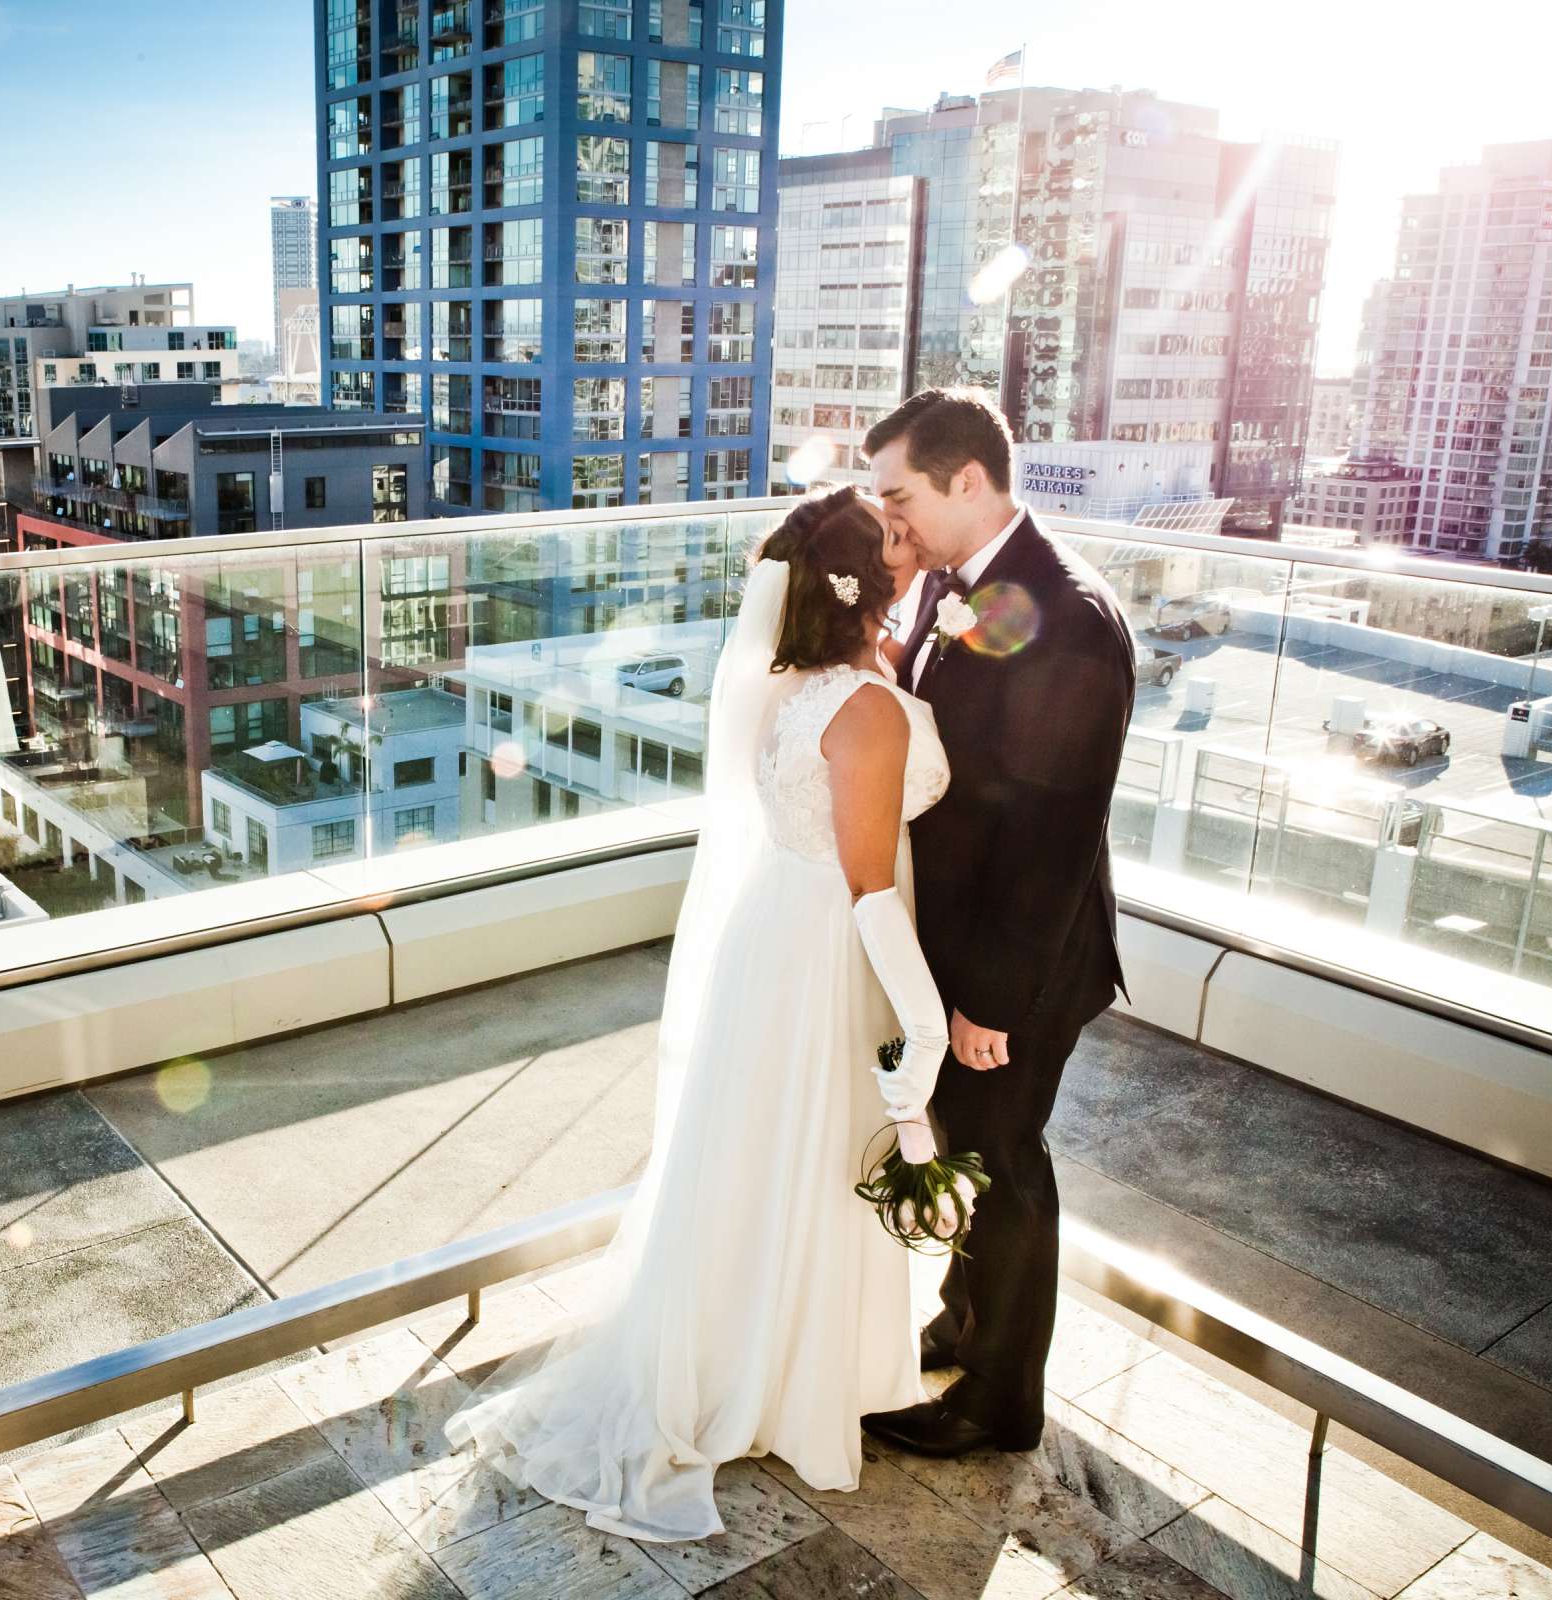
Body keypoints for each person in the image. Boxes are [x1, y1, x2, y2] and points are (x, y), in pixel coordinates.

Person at [443, 486, 957, 1541]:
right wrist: (932, 1025)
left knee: (761, 1159)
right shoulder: (860, 709)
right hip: (829, 946)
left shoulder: (801, 683)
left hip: (775, 934)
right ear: (866, 581)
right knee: (803, 1155)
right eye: (893, 534)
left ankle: (758, 1355)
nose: (910, 542)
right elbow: (868, 886)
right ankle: (780, 1382)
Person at [858, 387, 1136, 1458]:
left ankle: (1001, 1398)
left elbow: (1054, 830)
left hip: (1017, 968)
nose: (893, 519)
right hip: (960, 948)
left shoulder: (1066, 616)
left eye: (903, 495)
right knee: (968, 1146)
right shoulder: (956, 584)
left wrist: (988, 1000)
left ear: (967, 480)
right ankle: (967, 1322)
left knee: (1005, 1160)